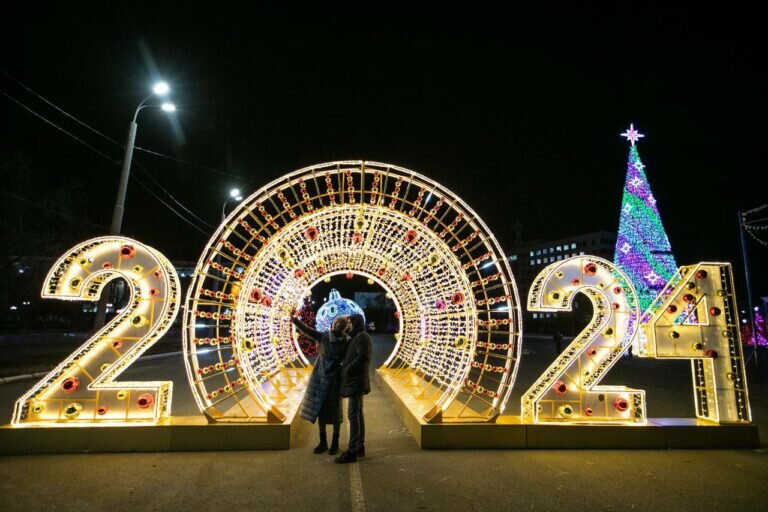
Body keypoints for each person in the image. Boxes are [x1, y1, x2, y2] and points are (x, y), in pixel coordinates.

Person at [291, 310, 349, 455]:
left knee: (325, 409)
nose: (336, 327)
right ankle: (331, 443)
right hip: (332, 378)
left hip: (323, 377)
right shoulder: (345, 341)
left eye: (338, 324)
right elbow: (306, 330)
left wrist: (294, 319)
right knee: (332, 411)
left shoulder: (327, 338)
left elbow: (306, 330)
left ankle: (326, 442)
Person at [335, 314, 371, 464]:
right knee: (357, 414)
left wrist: (347, 369)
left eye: (349, 322)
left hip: (356, 382)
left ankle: (352, 451)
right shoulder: (356, 336)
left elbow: (362, 357)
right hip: (355, 381)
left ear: (356, 322)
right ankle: (359, 446)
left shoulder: (361, 336)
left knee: (353, 415)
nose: (347, 325)